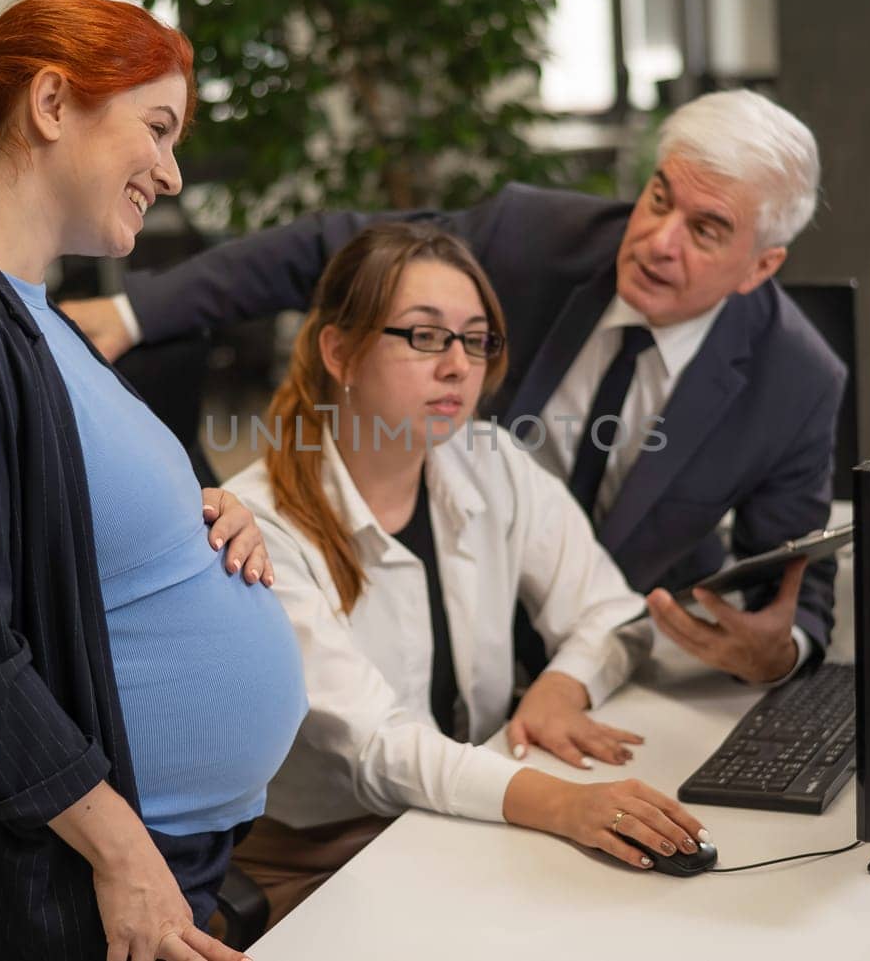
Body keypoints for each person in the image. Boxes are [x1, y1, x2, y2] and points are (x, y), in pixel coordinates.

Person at [0, 0, 307, 961]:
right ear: (51, 103)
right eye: (157, 130)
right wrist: (125, 854)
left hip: (146, 862)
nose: (168, 173)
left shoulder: (30, 314)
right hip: (63, 885)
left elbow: (54, 526)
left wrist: (204, 520)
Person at [63, 89, 845, 686]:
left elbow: (794, 592)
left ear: (761, 266)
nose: (657, 240)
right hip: (445, 614)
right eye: (659, 197)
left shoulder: (798, 382)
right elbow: (332, 251)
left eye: (706, 230)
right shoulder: (535, 239)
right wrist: (135, 311)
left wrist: (783, 648)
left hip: (619, 656)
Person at [215, 221, 707, 926]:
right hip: (325, 862)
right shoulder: (262, 526)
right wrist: (564, 802)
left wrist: (562, 686)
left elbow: (612, 610)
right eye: (424, 335)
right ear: (340, 351)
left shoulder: (489, 458)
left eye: (476, 339)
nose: (458, 365)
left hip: (467, 821)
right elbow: (380, 750)